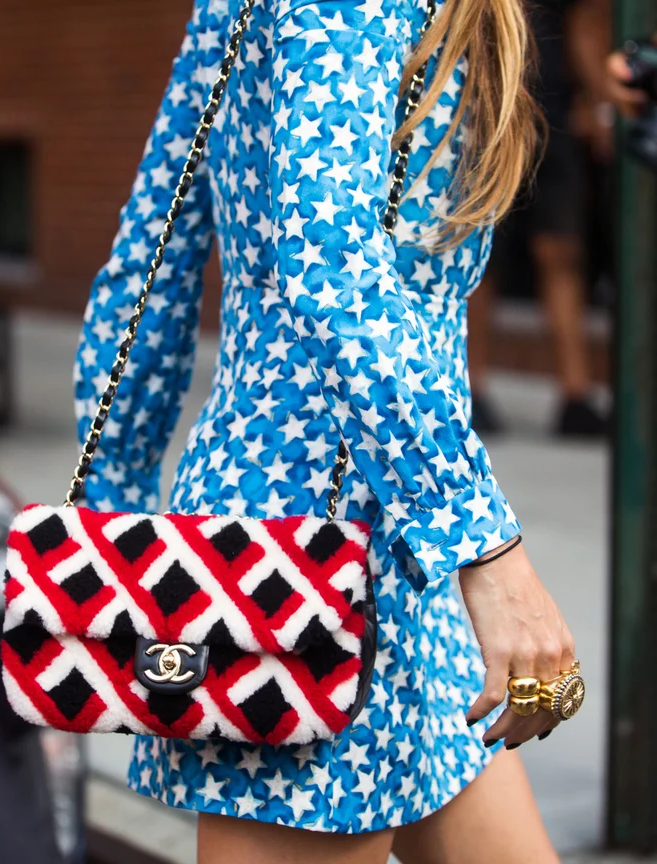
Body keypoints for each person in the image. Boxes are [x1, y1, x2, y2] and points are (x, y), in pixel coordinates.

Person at [74, 1, 579, 862]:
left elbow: (148, 259)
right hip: (299, 568)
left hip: (388, 547)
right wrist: (486, 547)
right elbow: (330, 263)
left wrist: (114, 509)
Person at [469, 0, 612, 437]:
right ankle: (471, 387)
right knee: (480, 255)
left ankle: (575, 393)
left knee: (560, 249)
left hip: (554, 106)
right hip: (484, 104)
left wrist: (597, 99)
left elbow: (589, 19)